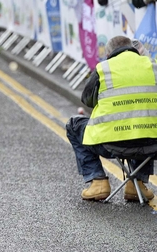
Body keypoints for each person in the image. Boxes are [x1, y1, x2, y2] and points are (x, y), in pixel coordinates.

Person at [66, 36, 156, 201]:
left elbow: (87, 100)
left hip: (111, 145)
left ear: (108, 55)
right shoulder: (152, 66)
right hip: (152, 146)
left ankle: (98, 181)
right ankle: (138, 184)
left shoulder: (104, 68)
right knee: (144, 121)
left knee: (74, 124)